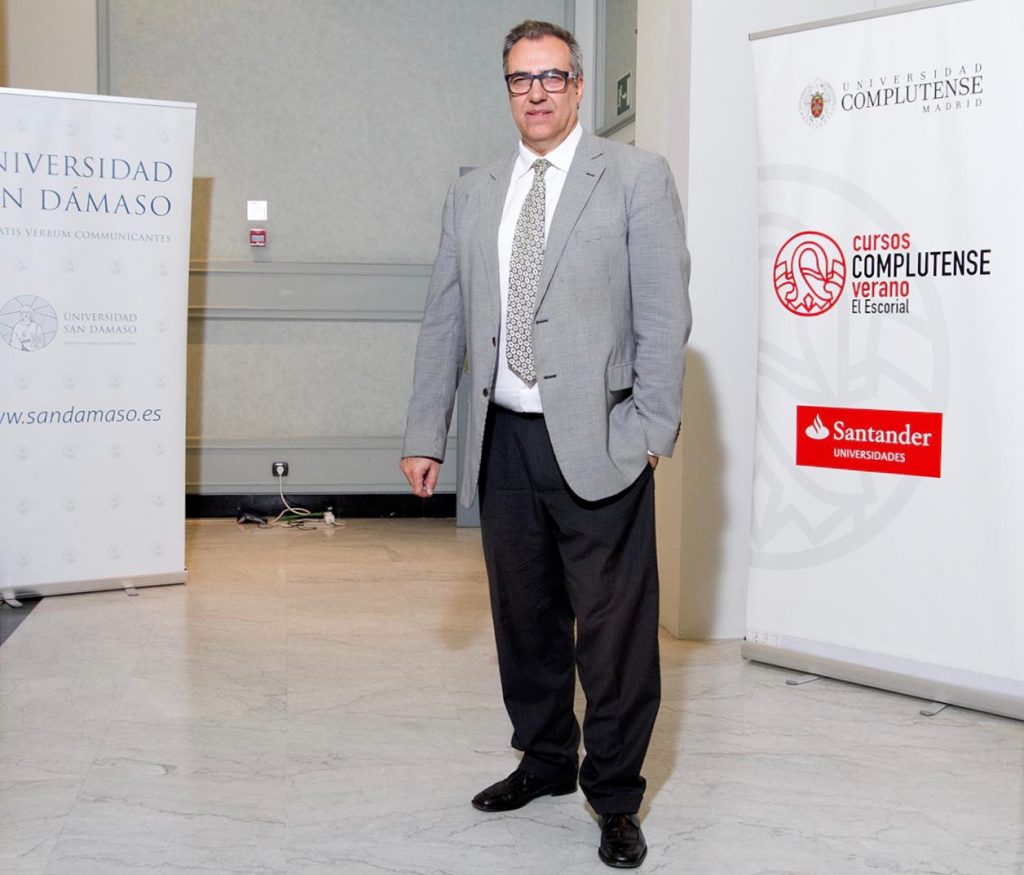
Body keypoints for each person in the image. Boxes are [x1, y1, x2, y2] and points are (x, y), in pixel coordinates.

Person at [401, 19, 690, 869]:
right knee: (523, 618)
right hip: (504, 443)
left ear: (578, 85)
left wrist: (650, 429)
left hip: (603, 439)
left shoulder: (634, 176)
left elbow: (665, 311)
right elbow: (445, 317)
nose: (537, 92)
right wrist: (427, 431)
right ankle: (545, 758)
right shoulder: (474, 190)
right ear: (507, 90)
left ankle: (616, 796)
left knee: (614, 633)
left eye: (552, 76)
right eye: (521, 79)